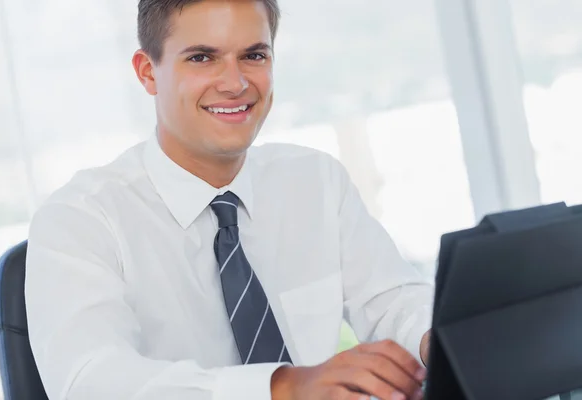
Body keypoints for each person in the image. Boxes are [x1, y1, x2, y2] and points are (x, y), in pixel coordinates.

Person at [25, 0, 434, 399]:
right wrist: (281, 388)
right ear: (148, 72)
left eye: (254, 55)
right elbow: (89, 380)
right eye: (203, 58)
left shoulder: (316, 181)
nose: (235, 83)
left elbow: (392, 300)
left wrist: (436, 337)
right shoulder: (79, 220)